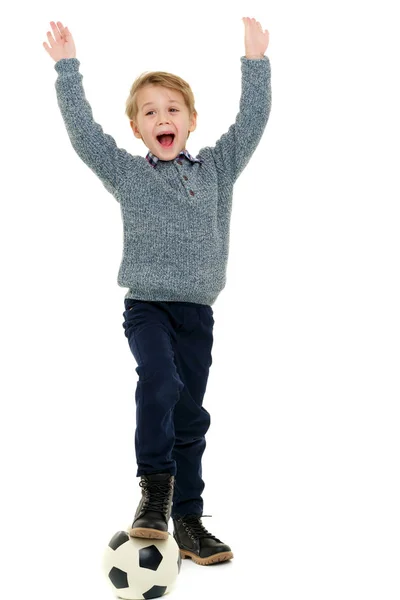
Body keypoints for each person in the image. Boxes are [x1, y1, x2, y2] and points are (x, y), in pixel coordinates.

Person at [43, 17, 271, 566]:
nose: (162, 118)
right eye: (150, 112)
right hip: (146, 307)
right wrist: (66, 69)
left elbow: (253, 121)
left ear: (192, 121)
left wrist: (255, 63)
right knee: (161, 382)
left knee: (191, 413)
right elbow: (83, 135)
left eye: (173, 110)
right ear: (136, 128)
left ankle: (189, 520)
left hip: (198, 313)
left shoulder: (218, 166)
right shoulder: (128, 173)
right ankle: (156, 491)